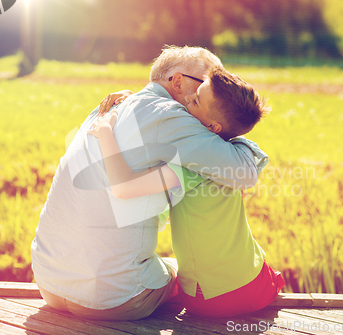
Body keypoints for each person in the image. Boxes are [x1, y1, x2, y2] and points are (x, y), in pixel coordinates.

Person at [31, 46, 266, 320]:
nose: (215, 88)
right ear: (178, 81)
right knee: (183, 273)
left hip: (48, 282)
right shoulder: (170, 115)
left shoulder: (108, 108)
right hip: (111, 297)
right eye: (207, 81)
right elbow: (244, 172)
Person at [90, 66, 284, 318]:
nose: (185, 100)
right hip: (253, 284)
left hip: (207, 299)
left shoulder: (185, 169)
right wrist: (138, 99)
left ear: (213, 126)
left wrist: (105, 131)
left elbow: (124, 187)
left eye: (195, 100)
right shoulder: (231, 157)